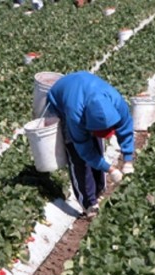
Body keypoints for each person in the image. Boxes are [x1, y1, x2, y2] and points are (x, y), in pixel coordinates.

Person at [47, 71, 134, 219]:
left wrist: (128, 159)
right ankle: (89, 203)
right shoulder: (75, 115)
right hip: (61, 101)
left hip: (86, 91)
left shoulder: (116, 102)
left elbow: (125, 128)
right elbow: (84, 151)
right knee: (77, 157)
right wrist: (111, 169)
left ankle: (99, 190)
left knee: (97, 147)